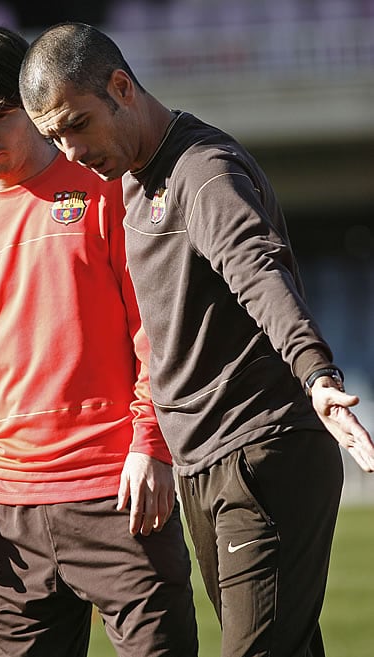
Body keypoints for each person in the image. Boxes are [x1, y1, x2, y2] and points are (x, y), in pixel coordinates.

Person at [19, 22, 374, 657]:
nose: (69, 151)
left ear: (121, 88)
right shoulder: (130, 182)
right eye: (52, 137)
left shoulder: (204, 171)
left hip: (262, 449)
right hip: (202, 463)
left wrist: (318, 375)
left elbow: (259, 270)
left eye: (76, 124)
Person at [0, 24, 198, 657]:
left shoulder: (107, 193)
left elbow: (153, 329)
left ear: (34, 103)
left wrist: (151, 443)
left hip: (121, 496)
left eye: (0, 115)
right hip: (5, 514)